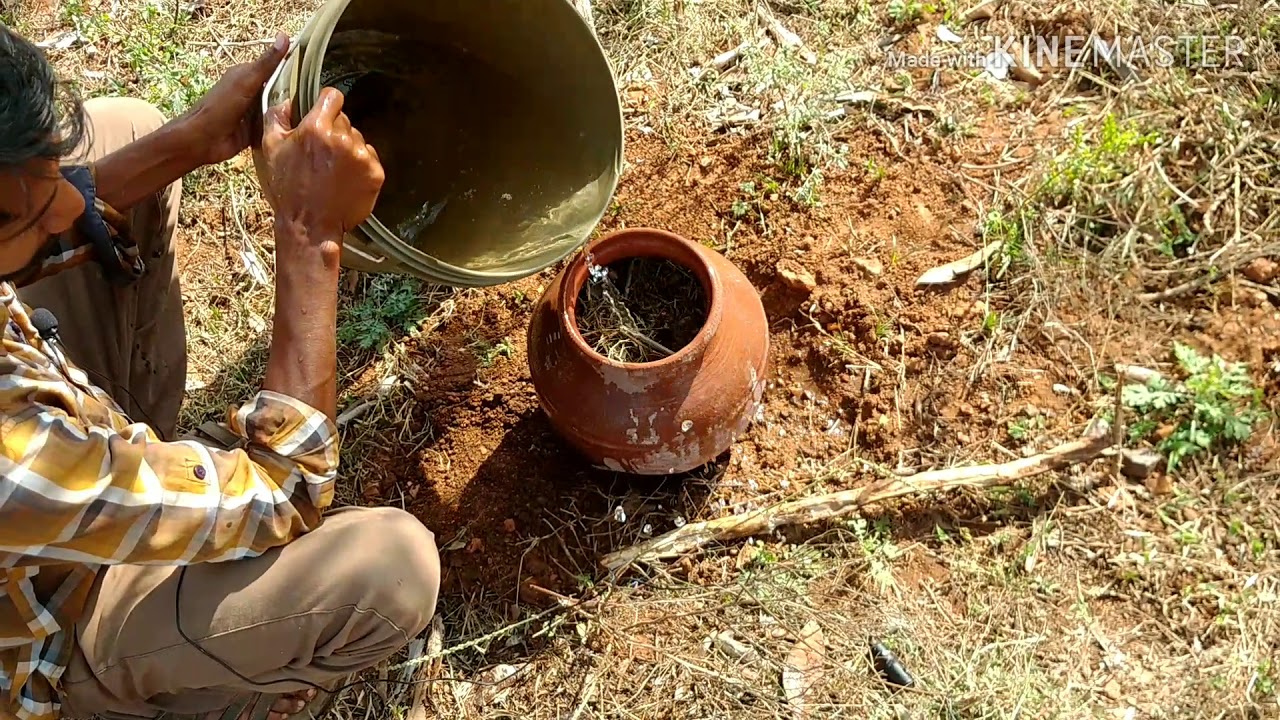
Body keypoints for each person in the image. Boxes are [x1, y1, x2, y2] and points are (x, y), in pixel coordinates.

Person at [0, 24, 441, 720]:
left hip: (51, 506)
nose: (70, 208)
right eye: (18, 215)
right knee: (388, 571)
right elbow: (284, 490)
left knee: (125, 130)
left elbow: (62, 209)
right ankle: (189, 695)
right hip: (47, 640)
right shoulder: (12, 459)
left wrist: (185, 143)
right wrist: (309, 233)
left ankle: (152, 469)